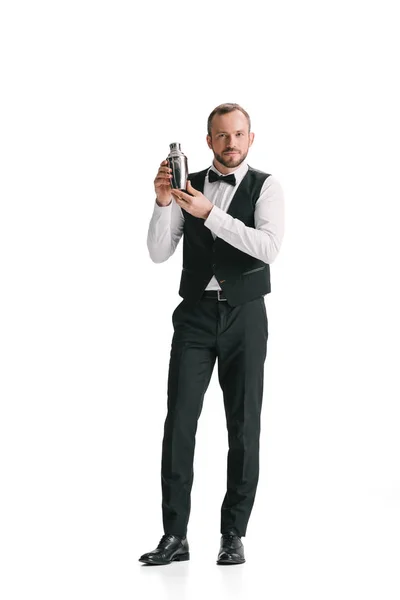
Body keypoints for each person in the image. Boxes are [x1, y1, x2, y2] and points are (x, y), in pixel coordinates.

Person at [139, 103, 285, 566]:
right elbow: (160, 253)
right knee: (179, 423)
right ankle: (174, 536)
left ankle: (233, 533)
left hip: (246, 315)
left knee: (244, 426)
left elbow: (268, 247)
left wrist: (210, 214)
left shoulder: (267, 187)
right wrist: (164, 202)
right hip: (196, 316)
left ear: (251, 138)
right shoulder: (189, 184)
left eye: (239, 134)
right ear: (209, 141)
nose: (231, 143)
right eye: (222, 135)